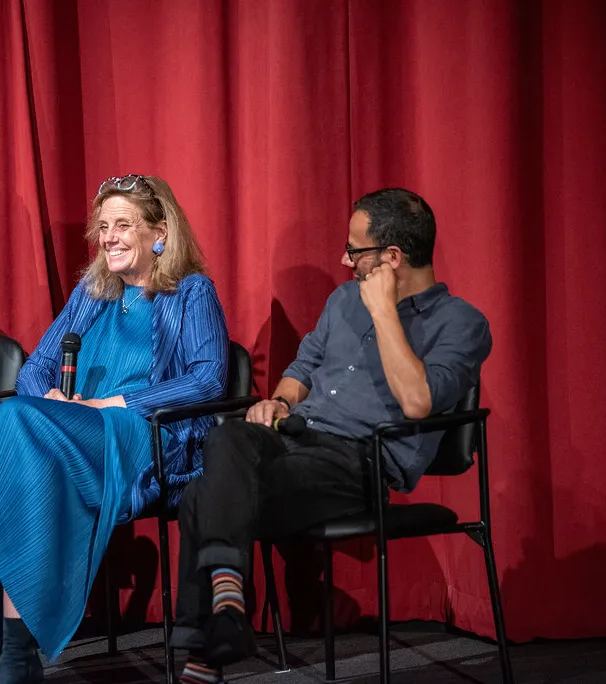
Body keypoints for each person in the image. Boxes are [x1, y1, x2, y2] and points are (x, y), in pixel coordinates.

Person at [0, 174, 229, 683]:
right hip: (72, 435)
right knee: (23, 446)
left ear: (160, 230)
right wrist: (53, 399)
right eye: (103, 227)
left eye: (123, 225)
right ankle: (16, 654)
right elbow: (34, 370)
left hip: (144, 441)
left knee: (10, 421)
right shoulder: (93, 292)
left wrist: (114, 402)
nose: (109, 238)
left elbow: (208, 379)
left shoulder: (191, 292)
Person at [171, 188, 493, 683]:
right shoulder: (343, 300)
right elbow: (302, 367)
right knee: (230, 439)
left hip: (359, 464)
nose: (345, 261)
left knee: (200, 496)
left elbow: (418, 402)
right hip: (294, 441)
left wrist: (386, 313)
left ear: (391, 258)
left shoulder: (462, 323)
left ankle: (209, 644)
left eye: (355, 250)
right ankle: (226, 609)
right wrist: (279, 399)